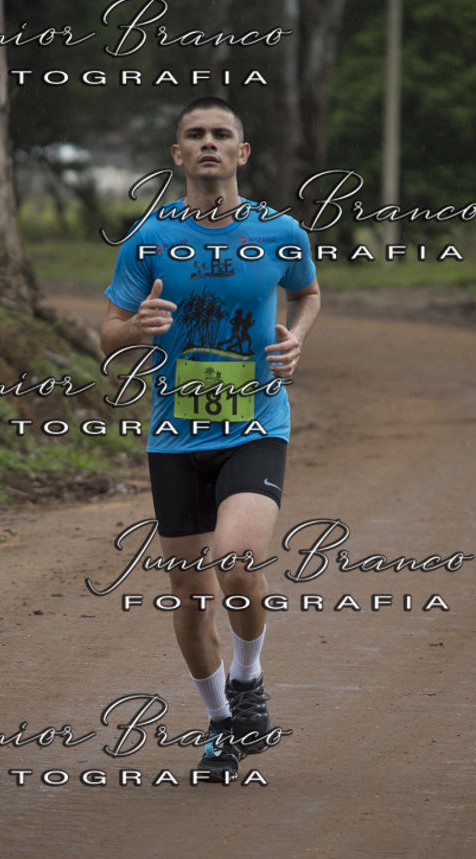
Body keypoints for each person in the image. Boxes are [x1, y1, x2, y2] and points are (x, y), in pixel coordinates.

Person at [100, 96, 321, 781]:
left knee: (239, 560)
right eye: (194, 134)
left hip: (256, 423)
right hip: (175, 436)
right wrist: (136, 329)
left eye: (221, 134)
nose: (207, 144)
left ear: (241, 153)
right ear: (177, 155)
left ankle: (250, 679)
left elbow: (308, 293)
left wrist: (295, 342)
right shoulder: (149, 239)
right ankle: (222, 725)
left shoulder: (280, 231)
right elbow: (106, 332)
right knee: (191, 597)